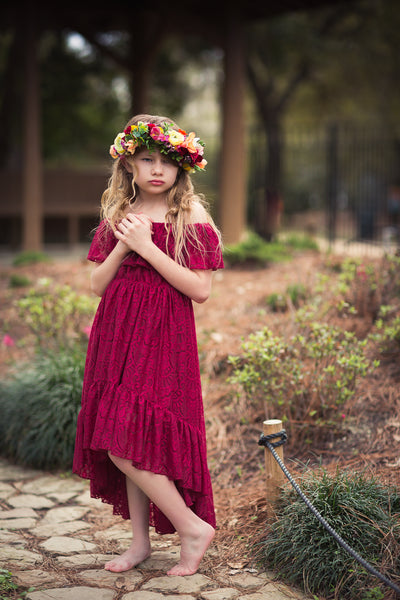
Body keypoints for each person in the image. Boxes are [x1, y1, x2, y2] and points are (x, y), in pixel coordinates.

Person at [73, 114, 224, 577]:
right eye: (146, 159)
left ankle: (192, 528)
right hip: (117, 330)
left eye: (167, 161)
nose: (157, 169)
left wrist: (148, 245)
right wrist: (124, 243)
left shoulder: (189, 214)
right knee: (129, 436)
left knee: (124, 440)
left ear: (182, 167)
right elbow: (97, 284)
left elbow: (199, 290)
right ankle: (139, 544)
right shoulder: (119, 214)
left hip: (162, 333)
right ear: (130, 166)